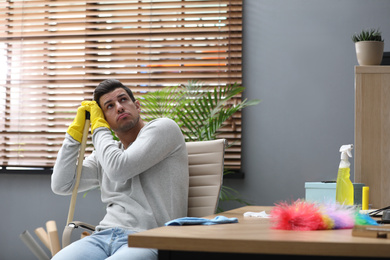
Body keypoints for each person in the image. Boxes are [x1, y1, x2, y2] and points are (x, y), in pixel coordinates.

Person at [51, 79, 189, 259]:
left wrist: (99, 129)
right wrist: (74, 135)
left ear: (137, 106)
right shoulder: (108, 154)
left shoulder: (163, 128)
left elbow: (119, 169)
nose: (119, 107)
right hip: (103, 237)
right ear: (104, 119)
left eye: (123, 100)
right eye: (109, 106)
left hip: (149, 238)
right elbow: (62, 184)